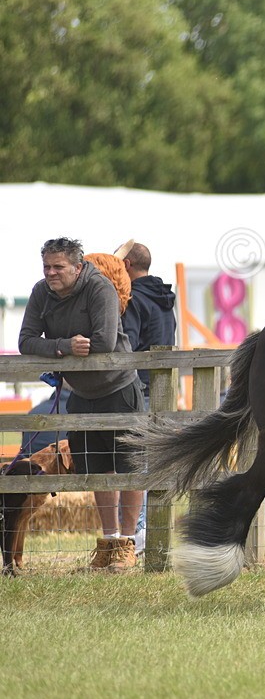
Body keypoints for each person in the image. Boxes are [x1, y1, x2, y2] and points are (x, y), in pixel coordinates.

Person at [18, 238, 145, 571]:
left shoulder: (99, 287)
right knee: (97, 470)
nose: (51, 273)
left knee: (129, 469)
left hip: (118, 388)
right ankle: (108, 542)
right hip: (81, 394)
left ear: (78, 266)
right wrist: (66, 345)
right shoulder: (40, 293)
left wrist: (54, 348)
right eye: (47, 266)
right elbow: (25, 340)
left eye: (58, 267)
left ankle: (128, 545)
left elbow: (103, 341)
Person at [115, 241, 177, 399]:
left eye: (115, 264)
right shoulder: (164, 297)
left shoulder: (132, 299)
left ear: (126, 264)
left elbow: (127, 345)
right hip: (165, 386)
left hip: (138, 390)